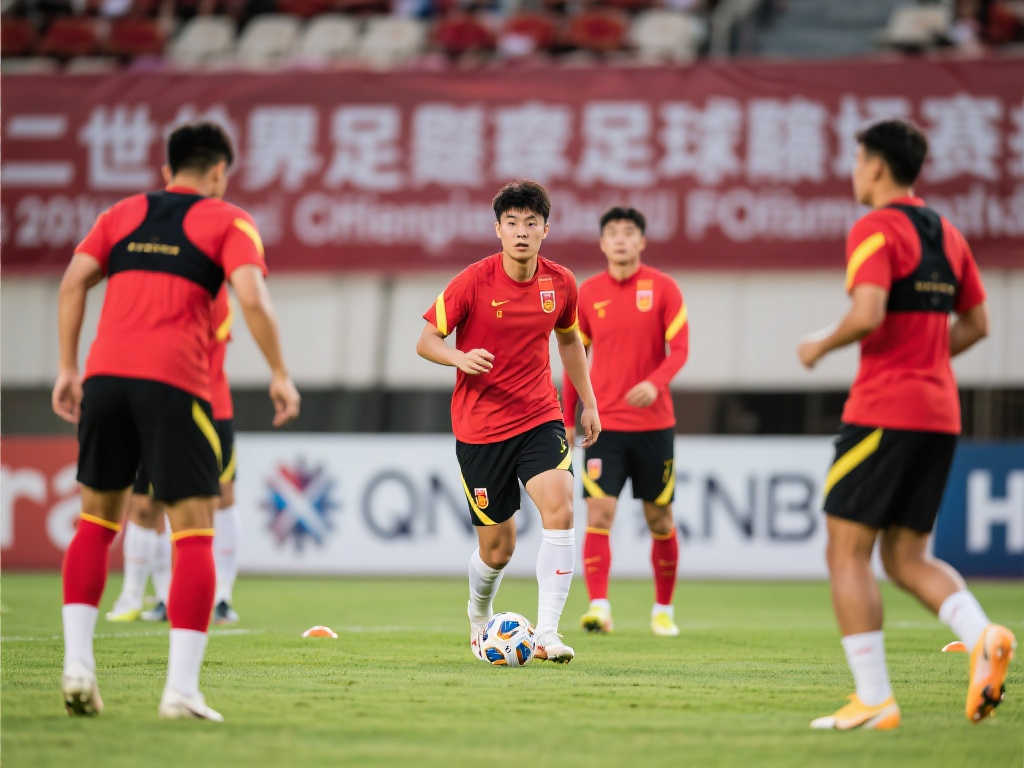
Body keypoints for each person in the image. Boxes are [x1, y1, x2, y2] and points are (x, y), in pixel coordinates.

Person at [53, 122, 300, 721]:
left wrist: (67, 367)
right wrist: (279, 372)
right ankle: (181, 691)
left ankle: (78, 665)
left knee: (95, 522)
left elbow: (72, 282)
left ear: (167, 171)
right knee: (192, 532)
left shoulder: (120, 214)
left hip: (104, 380)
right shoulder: (229, 221)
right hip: (175, 385)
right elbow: (251, 297)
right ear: (218, 173)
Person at [797, 119, 1015, 731]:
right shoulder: (949, 233)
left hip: (883, 411)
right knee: (906, 556)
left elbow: (867, 312)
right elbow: (978, 325)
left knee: (846, 551)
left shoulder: (874, 228)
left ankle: (874, 699)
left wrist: (819, 344)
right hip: (939, 413)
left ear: (875, 166)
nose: (854, 172)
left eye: (857, 161)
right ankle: (982, 634)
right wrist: (926, 361)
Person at [416, 180, 601, 664]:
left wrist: (589, 402)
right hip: (480, 429)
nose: (521, 232)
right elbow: (426, 340)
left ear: (545, 230)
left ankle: (548, 634)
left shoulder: (561, 283)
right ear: (498, 229)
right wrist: (458, 357)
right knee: (498, 549)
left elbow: (569, 341)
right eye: (512, 223)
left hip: (539, 417)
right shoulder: (473, 281)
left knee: (561, 509)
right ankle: (479, 613)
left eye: (531, 223)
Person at [562, 207, 689, 637]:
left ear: (642, 241)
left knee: (660, 518)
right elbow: (574, 359)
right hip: (604, 425)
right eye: (612, 233)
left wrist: (655, 383)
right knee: (599, 511)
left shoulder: (664, 288)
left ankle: (663, 610)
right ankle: (599, 607)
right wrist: (567, 417)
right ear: (602, 243)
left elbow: (680, 349)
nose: (620, 239)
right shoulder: (587, 293)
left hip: (655, 425)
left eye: (629, 232)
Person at [106, 284, 241, 626]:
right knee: (146, 504)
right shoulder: (154, 293)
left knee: (219, 498)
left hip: (211, 408)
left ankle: (221, 597)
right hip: (159, 407)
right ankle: (149, 596)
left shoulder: (212, 294)